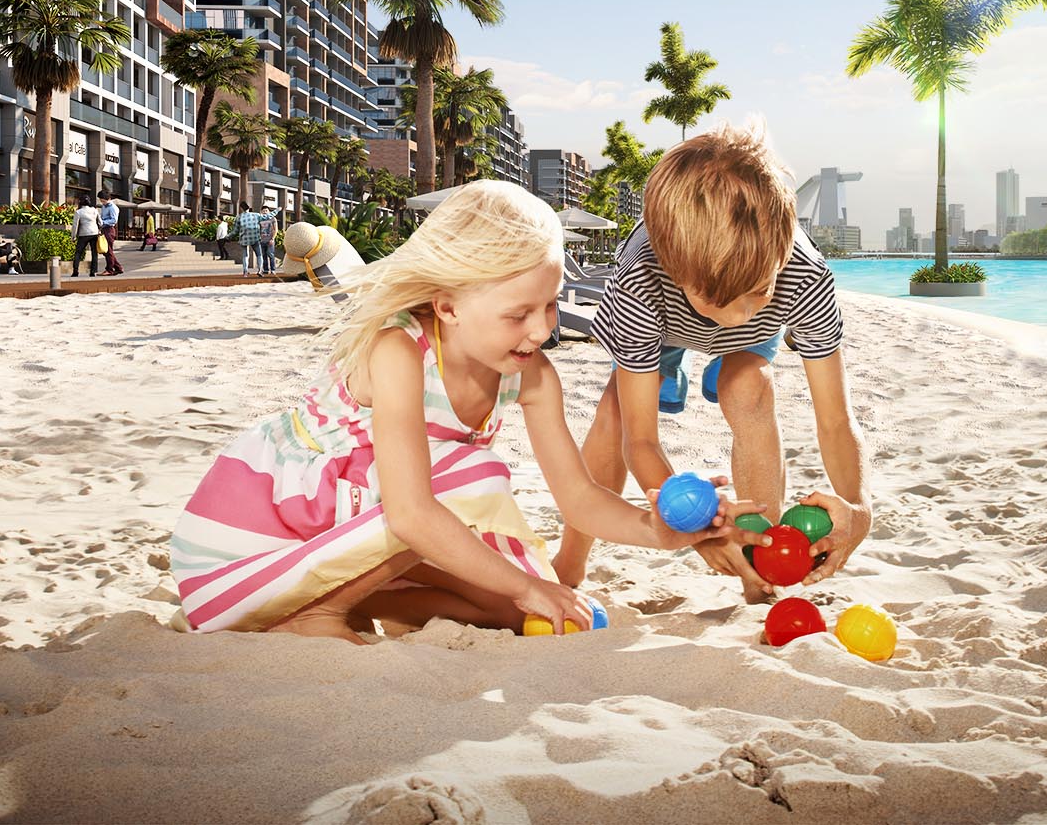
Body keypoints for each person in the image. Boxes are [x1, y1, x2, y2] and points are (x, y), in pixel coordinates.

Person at [169, 180, 752, 639]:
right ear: (447, 307)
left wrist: (657, 531)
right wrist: (530, 588)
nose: (544, 330)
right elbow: (411, 514)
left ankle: (366, 601)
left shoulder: (531, 377)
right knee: (476, 482)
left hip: (334, 540)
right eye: (519, 313)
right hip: (243, 554)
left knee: (514, 610)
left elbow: (578, 498)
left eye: (550, 305)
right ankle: (314, 615)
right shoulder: (398, 350)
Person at [553, 121, 872, 602]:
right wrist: (695, 526)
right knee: (615, 414)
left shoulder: (804, 275)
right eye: (720, 302)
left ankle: (759, 562)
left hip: (754, 344)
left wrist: (859, 509)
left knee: (750, 389)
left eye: (760, 290)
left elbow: (836, 420)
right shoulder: (638, 280)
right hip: (663, 329)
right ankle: (570, 561)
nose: (741, 314)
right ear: (675, 270)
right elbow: (640, 442)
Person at [71, 198, 102, 276]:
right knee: (94, 253)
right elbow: (101, 222)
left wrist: (73, 236)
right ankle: (93, 271)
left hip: (83, 234)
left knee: (78, 253)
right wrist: (99, 229)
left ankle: (75, 271)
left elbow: (75, 225)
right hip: (94, 233)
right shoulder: (94, 210)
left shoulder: (78, 212)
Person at [98, 192, 125, 275]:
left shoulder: (113, 207)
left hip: (109, 229)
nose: (101, 202)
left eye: (102, 200)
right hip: (104, 229)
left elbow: (114, 220)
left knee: (108, 250)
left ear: (108, 199)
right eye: (101, 200)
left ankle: (109, 270)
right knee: (106, 250)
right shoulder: (103, 206)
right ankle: (118, 268)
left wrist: (102, 222)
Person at [235, 203, 262, 274]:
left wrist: (228, 236)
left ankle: (245, 270)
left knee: (245, 255)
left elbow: (235, 230)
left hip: (244, 238)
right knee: (259, 254)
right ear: (249, 208)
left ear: (241, 208)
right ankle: (260, 269)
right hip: (255, 237)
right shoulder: (256, 215)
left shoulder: (239, 217)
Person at [256, 207, 280, 277]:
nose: (265, 212)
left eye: (266, 211)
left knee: (271, 254)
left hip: (270, 240)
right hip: (262, 240)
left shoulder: (273, 219)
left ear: (269, 211)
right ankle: (266, 269)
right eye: (263, 211)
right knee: (263, 255)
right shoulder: (259, 219)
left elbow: (275, 230)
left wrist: (272, 239)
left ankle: (273, 269)